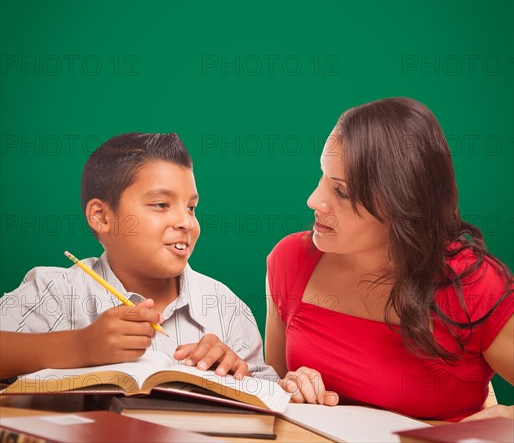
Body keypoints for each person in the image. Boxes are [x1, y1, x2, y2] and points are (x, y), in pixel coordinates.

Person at [265, 98, 513, 421]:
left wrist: (503, 421)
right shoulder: (291, 260)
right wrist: (288, 388)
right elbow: (272, 395)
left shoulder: (474, 286)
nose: (314, 199)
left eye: (341, 193)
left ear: (401, 207)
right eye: (323, 176)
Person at [0, 133, 276, 382]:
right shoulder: (55, 291)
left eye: (191, 208)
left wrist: (235, 371)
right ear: (101, 217)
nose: (186, 222)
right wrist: (79, 346)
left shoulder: (227, 309)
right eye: (161, 205)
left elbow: (269, 394)